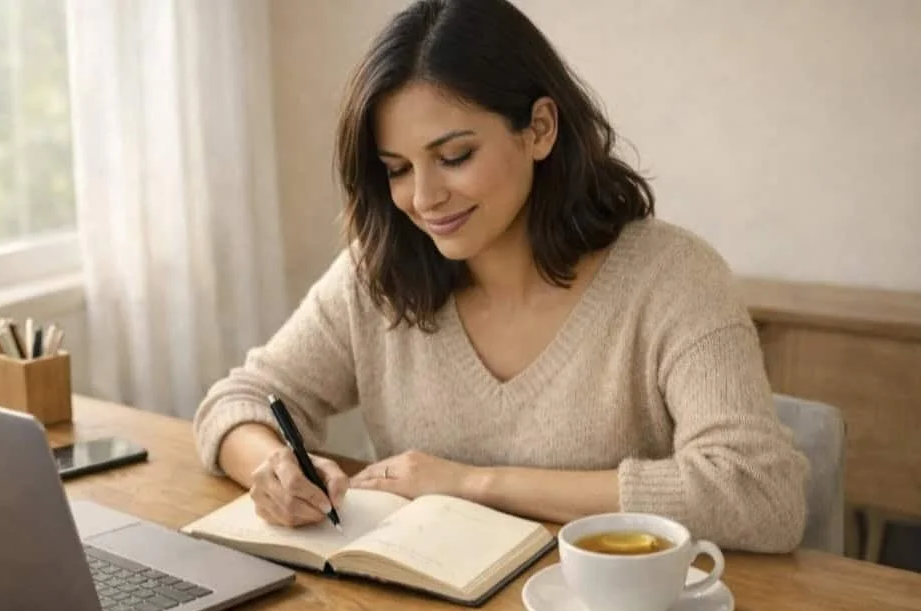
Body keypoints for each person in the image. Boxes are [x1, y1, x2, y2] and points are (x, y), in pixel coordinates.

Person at [192, 0, 808, 553]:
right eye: (398, 169)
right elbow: (238, 401)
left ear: (539, 129)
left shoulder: (673, 278)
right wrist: (271, 466)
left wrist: (474, 485)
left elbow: (760, 493)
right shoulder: (377, 273)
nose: (424, 198)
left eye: (454, 156)